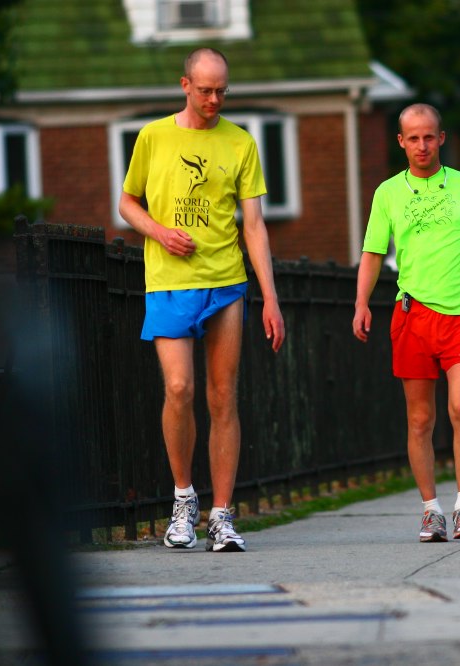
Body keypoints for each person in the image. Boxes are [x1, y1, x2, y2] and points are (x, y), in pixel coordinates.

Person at [119, 47, 285, 552]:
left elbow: (253, 225)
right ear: (185, 85)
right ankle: (184, 499)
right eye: (206, 90)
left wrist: (271, 298)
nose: (214, 99)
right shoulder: (153, 137)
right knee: (178, 388)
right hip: (168, 280)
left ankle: (223, 514)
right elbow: (127, 202)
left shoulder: (240, 142)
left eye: (222, 91)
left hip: (226, 281)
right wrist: (159, 232)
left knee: (222, 395)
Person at [352, 103, 460, 542]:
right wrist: (361, 303)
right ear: (401, 142)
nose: (422, 145)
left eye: (429, 137)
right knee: (420, 419)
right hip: (413, 315)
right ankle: (430, 510)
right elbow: (372, 253)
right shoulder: (388, 193)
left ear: (441, 139)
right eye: (413, 138)